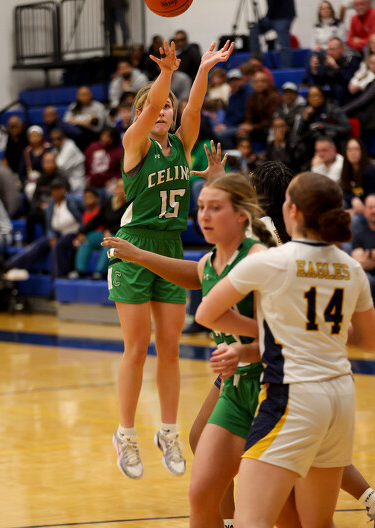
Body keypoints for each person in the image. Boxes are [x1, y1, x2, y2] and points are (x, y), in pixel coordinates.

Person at [102, 173, 305, 528]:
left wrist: (242, 346)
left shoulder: (260, 256)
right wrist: (140, 256)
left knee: (286, 506)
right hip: (235, 383)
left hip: (271, 383)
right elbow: (197, 273)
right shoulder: (217, 257)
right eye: (200, 208)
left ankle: (366, 495)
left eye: (215, 208)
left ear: (241, 213)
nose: (204, 217)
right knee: (201, 491)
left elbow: (284, 334)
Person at [195, 171, 375, 528]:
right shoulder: (351, 267)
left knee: (252, 519)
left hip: (292, 394)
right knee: (317, 522)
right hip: (340, 398)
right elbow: (368, 341)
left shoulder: (270, 261)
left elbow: (206, 313)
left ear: (292, 211)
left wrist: (265, 334)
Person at [105, 39, 233, 480]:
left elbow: (193, 107)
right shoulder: (134, 142)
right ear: (141, 114)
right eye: (155, 108)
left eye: (168, 108)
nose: (164, 111)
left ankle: (168, 432)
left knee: (171, 348)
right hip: (132, 247)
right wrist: (164, 75)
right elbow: (152, 109)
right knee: (137, 346)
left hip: (170, 248)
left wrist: (204, 69)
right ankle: (125, 434)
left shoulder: (181, 143)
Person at [5, 178, 83, 283]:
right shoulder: (50, 207)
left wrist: (83, 232)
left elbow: (85, 215)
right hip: (58, 234)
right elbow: (49, 226)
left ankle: (56, 281)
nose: (57, 192)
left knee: (58, 246)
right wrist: (51, 236)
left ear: (64, 190)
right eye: (54, 189)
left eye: (59, 189)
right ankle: (11, 265)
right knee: (40, 243)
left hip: (74, 233)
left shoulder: (73, 200)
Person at [72, 180, 127, 280]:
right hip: (106, 233)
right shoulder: (109, 202)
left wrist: (109, 230)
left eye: (123, 187)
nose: (120, 190)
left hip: (121, 236)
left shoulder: (131, 204)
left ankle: (100, 272)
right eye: (118, 187)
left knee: (110, 241)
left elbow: (128, 224)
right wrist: (82, 231)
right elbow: (97, 220)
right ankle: (80, 270)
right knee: (88, 238)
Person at [308, 37, 360, 105]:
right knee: (314, 90)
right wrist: (314, 70)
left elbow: (348, 80)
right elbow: (321, 82)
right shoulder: (328, 59)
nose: (330, 52)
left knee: (339, 89)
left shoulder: (351, 59)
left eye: (332, 49)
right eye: (328, 49)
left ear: (341, 49)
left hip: (348, 90)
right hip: (332, 88)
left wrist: (335, 67)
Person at [341, 137, 375, 222]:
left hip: (368, 207)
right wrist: (353, 199)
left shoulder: (369, 171)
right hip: (354, 203)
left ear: (362, 151)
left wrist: (352, 211)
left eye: (356, 149)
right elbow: (344, 190)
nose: (353, 153)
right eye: (350, 150)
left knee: (354, 220)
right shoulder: (346, 169)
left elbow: (371, 197)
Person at [351, 194, 375, 301]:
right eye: (370, 207)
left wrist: (368, 254)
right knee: (365, 279)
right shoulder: (359, 234)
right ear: (365, 211)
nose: (374, 211)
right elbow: (358, 262)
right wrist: (372, 254)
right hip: (368, 277)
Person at [50, 129, 85, 193]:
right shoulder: (56, 149)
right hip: (66, 183)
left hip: (76, 184)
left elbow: (59, 165)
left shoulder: (70, 147)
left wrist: (50, 162)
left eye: (58, 138)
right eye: (53, 139)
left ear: (64, 138)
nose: (56, 141)